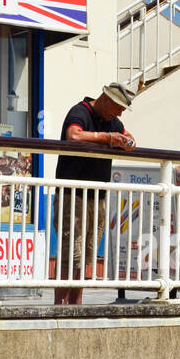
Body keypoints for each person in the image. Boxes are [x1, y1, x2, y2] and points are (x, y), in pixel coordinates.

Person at [52, 81, 136, 305]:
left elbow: (130, 137)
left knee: (86, 255)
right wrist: (107, 138)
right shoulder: (80, 111)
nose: (120, 113)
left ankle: (75, 304)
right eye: (118, 107)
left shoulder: (112, 121)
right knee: (72, 253)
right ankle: (61, 306)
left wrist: (126, 142)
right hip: (73, 193)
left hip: (96, 195)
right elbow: (74, 135)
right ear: (107, 100)